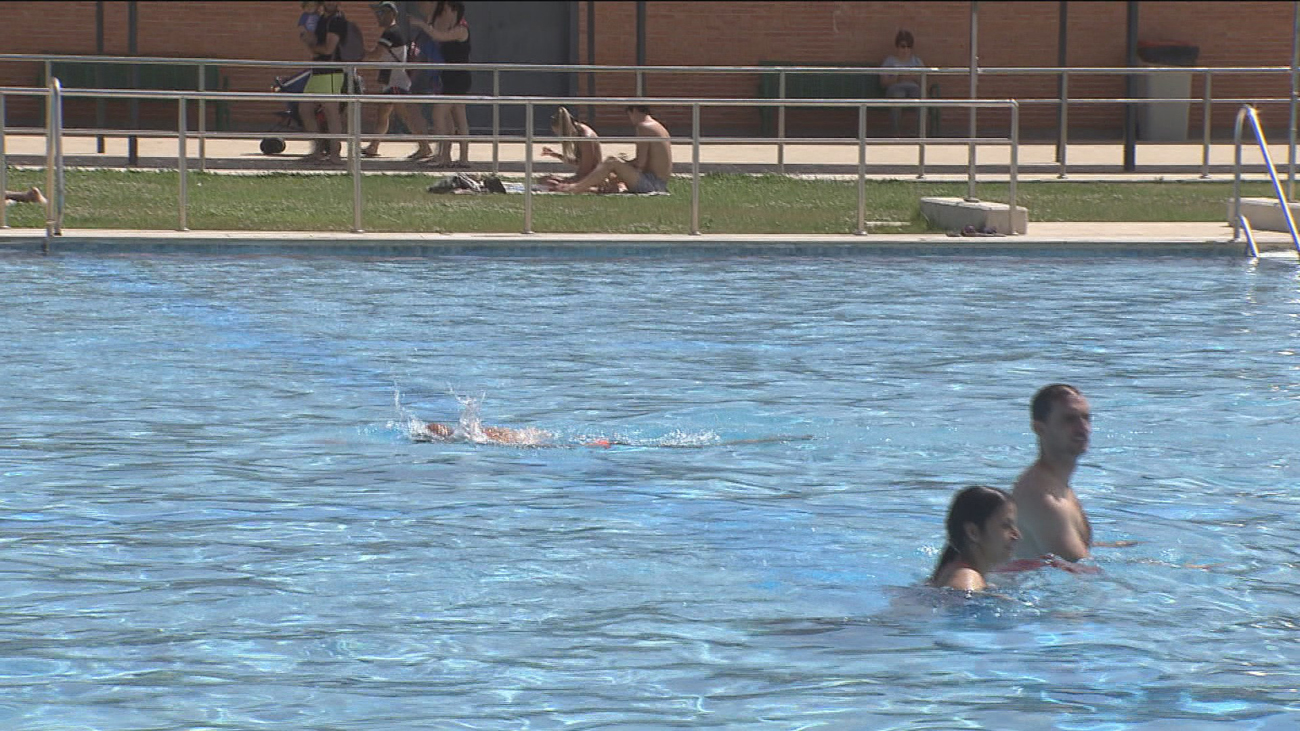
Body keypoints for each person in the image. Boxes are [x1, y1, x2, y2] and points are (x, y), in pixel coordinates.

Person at [1011, 384, 1094, 563]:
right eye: (1069, 419)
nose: (1083, 428)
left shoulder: (1058, 486)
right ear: (1040, 429)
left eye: (1086, 418)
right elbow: (1081, 569)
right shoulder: (1042, 498)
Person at [360, 1, 434, 159]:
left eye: (381, 13)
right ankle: (373, 146)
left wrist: (358, 56)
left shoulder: (391, 33)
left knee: (406, 116)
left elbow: (376, 55)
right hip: (390, 82)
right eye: (377, 13)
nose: (378, 16)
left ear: (392, 14)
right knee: (383, 114)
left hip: (396, 83)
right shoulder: (391, 32)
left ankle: (424, 147)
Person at [556, 105, 672, 194]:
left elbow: (640, 164)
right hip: (659, 183)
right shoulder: (657, 126)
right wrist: (621, 168)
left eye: (629, 115)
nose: (631, 120)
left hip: (652, 184)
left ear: (634, 111)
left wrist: (620, 167)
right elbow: (645, 162)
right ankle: (596, 187)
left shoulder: (643, 127)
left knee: (611, 162)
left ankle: (575, 188)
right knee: (612, 170)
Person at [411, 0, 471, 168]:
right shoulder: (448, 26)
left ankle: (452, 157)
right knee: (455, 118)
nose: (442, 13)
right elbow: (435, 29)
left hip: (458, 79)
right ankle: (451, 156)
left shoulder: (461, 29)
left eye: (445, 9)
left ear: (454, 10)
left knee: (439, 114)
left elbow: (439, 36)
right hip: (448, 77)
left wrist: (420, 24)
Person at [928, 486, 1020, 591]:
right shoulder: (965, 580)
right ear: (973, 532)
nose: (1017, 535)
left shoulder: (952, 571)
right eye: (1006, 525)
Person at [298, 0, 349, 163]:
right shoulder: (320, 19)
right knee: (304, 108)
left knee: (331, 112)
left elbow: (328, 49)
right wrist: (306, 36)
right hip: (317, 71)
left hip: (332, 72)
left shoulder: (337, 20)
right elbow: (313, 39)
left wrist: (312, 48)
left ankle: (335, 154)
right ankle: (317, 150)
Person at [539, 107, 618, 192]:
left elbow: (586, 170)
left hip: (591, 177)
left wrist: (569, 180)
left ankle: (593, 189)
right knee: (545, 179)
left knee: (551, 182)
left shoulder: (585, 138)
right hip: (585, 175)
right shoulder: (577, 134)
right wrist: (555, 154)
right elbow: (579, 162)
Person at [881, 29, 925, 135]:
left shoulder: (916, 61)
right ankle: (896, 134)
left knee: (921, 97)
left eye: (909, 47)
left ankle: (921, 133)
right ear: (897, 47)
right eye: (903, 46)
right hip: (896, 88)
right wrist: (899, 78)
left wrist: (914, 77)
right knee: (898, 96)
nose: (906, 50)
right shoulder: (890, 61)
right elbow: (883, 82)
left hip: (913, 88)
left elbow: (923, 80)